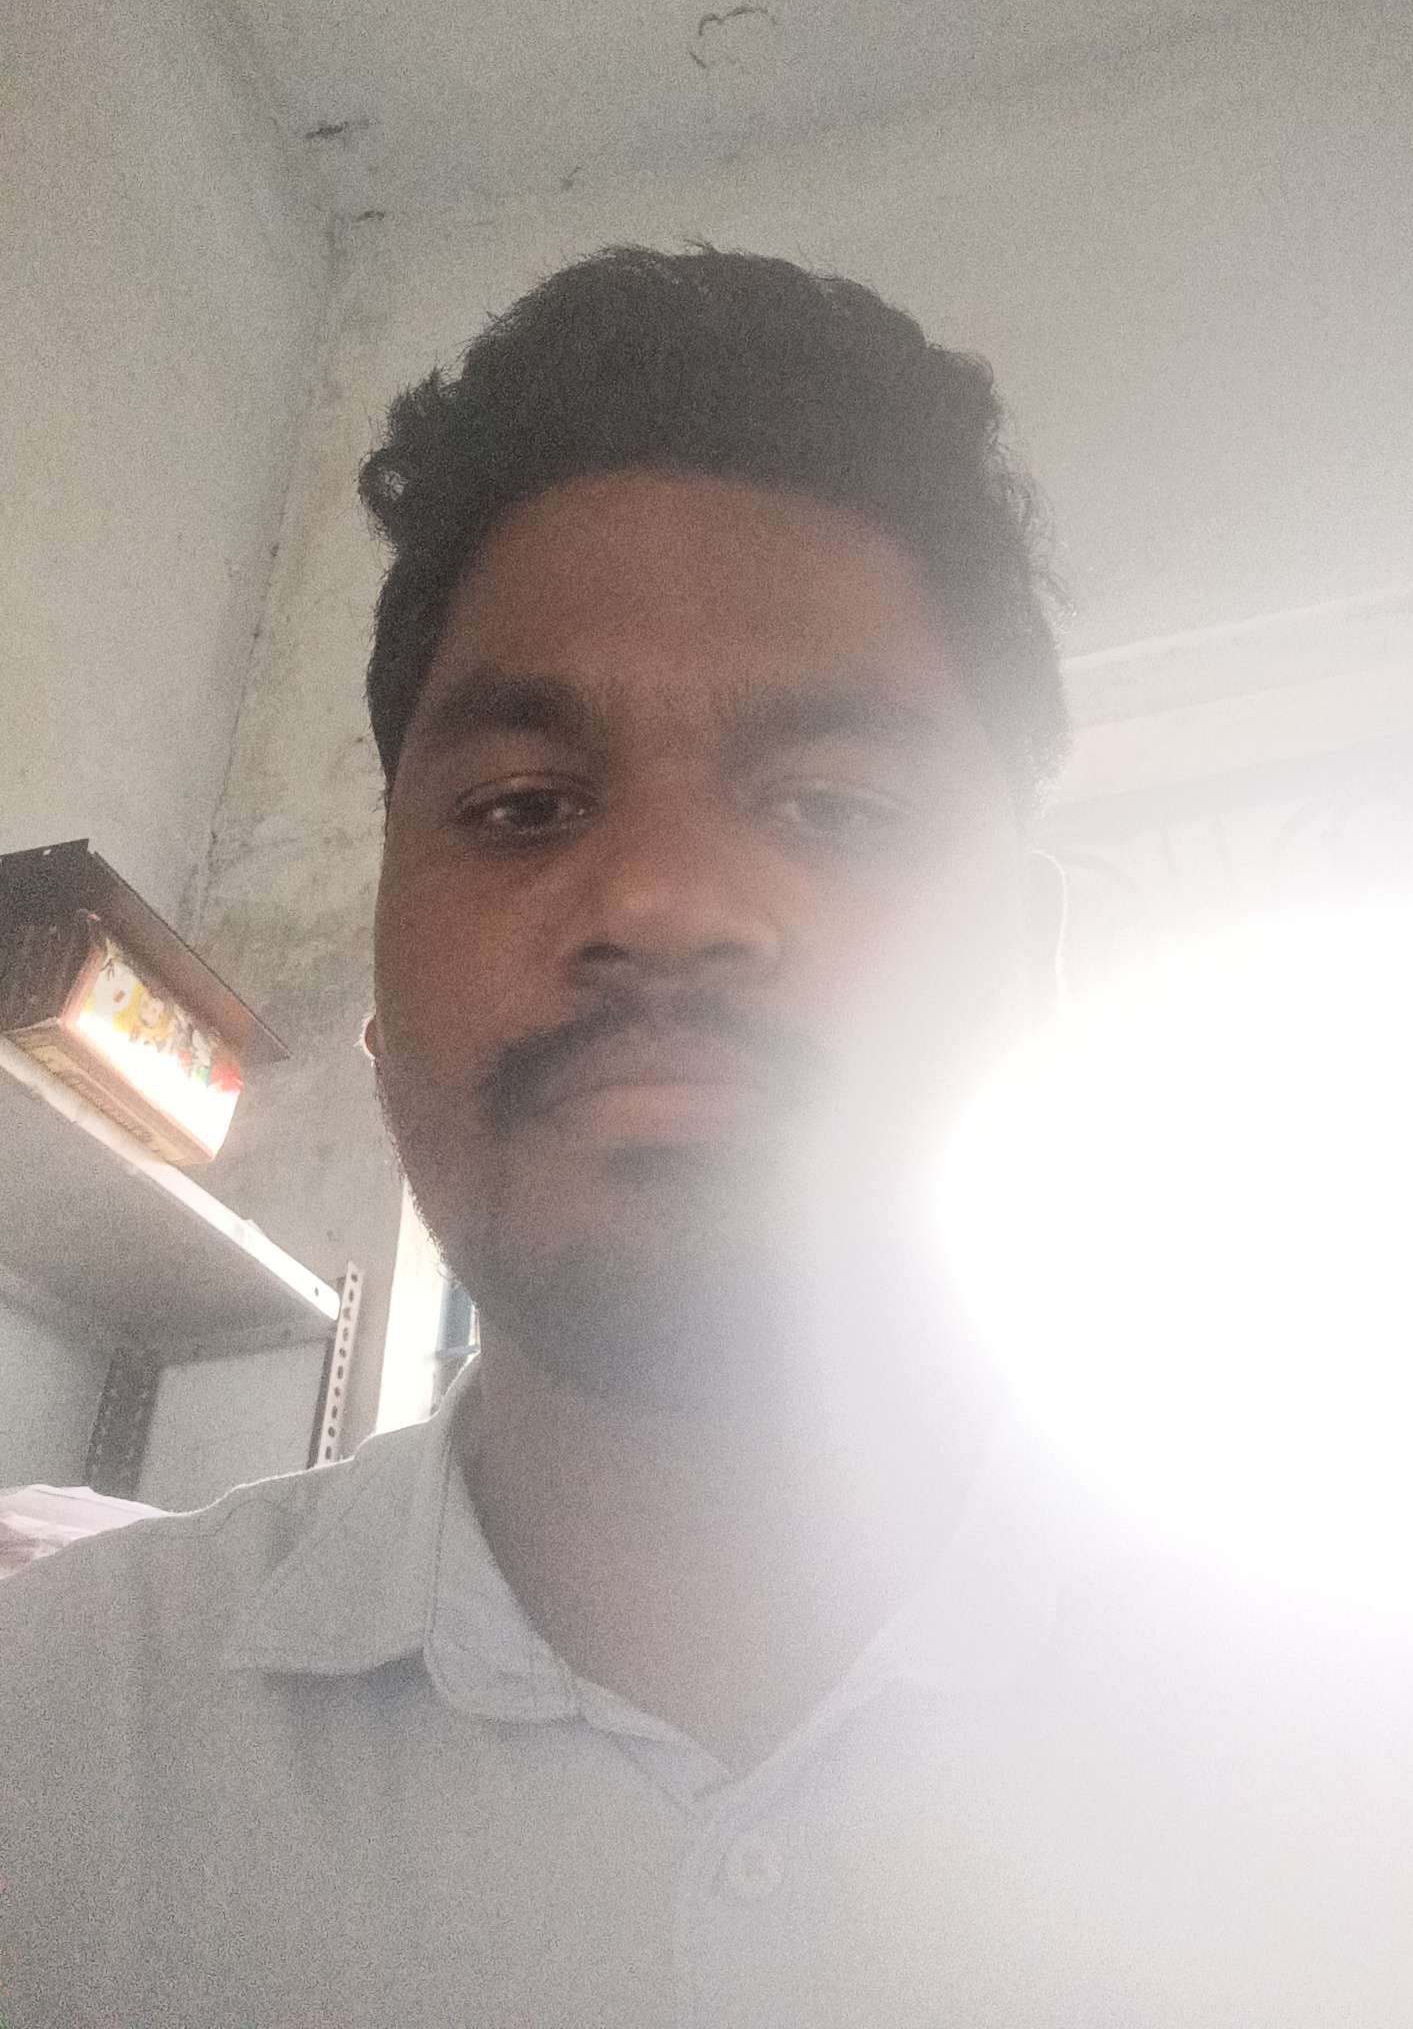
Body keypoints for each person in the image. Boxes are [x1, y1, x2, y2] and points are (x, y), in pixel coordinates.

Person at [0, 248, 1159, 2026]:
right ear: (383, 962)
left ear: (1032, 965)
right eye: (526, 807)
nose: (662, 900)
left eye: (835, 806)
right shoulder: (49, 1749)